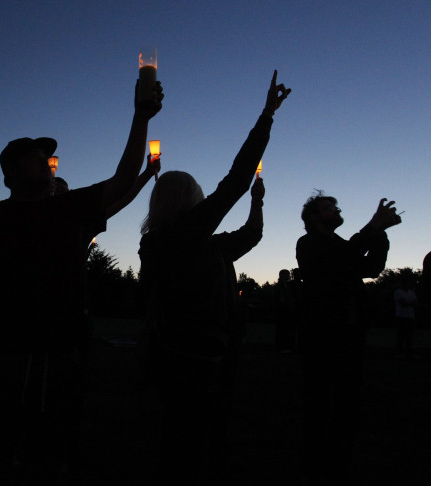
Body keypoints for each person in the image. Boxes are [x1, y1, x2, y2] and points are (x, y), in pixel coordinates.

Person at [0, 78, 163, 484]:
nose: (47, 163)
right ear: (9, 171)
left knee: (51, 444)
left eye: (48, 158)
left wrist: (140, 116)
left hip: (58, 352)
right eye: (35, 157)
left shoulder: (68, 210)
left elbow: (122, 180)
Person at [138, 70, 289, 484]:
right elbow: (237, 178)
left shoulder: (194, 244)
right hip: (195, 350)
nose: (205, 196)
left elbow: (252, 235)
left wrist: (258, 201)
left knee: (195, 422)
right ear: (189, 199)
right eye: (198, 192)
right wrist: (266, 116)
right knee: (190, 427)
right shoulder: (186, 235)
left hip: (200, 346)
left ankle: (206, 460)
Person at [296, 192, 402, 483]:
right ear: (314, 217)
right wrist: (373, 227)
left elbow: (371, 268)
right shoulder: (308, 244)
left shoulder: (342, 245)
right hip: (321, 334)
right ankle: (314, 459)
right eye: (328, 208)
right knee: (318, 399)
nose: (335, 210)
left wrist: (379, 234)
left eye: (335, 206)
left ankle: (339, 457)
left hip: (351, 332)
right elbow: (344, 258)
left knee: (347, 400)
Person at [393, 272, 419, 359]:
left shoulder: (411, 292)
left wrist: (409, 303)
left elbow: (415, 303)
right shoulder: (398, 292)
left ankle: (408, 353)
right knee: (401, 335)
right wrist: (411, 303)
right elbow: (404, 303)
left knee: (409, 336)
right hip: (401, 316)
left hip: (410, 317)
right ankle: (398, 353)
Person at [274, 268, 298, 353]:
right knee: (283, 330)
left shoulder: (285, 286)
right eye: (287, 274)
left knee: (284, 330)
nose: (289, 276)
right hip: (284, 311)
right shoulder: (282, 287)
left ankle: (284, 347)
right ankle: (283, 347)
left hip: (286, 311)